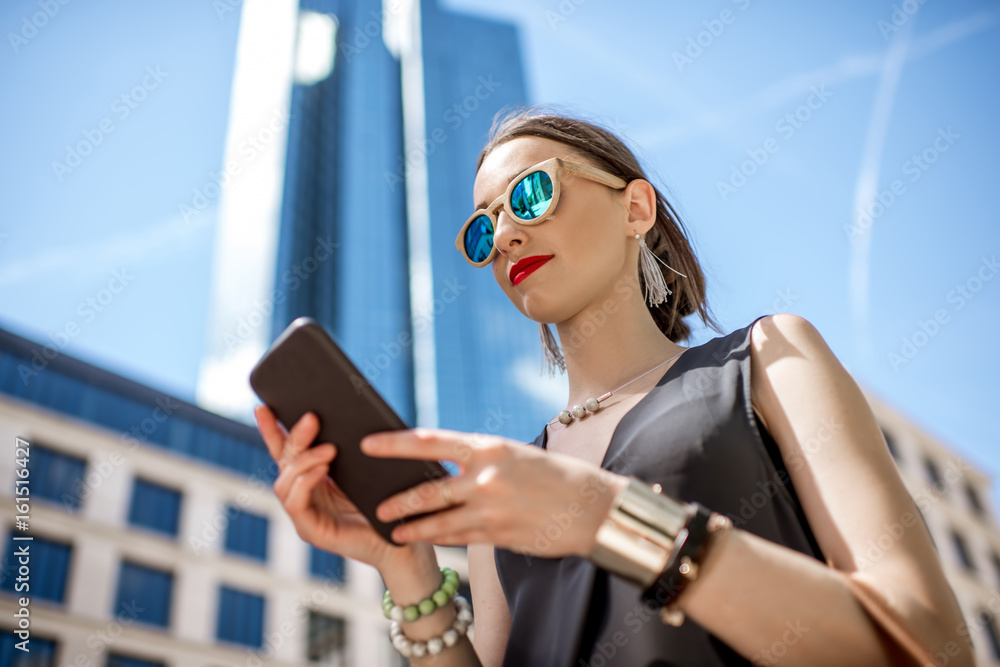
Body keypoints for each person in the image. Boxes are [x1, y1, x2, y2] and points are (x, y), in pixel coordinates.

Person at [254, 107, 973, 666]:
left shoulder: (769, 356)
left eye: (530, 194)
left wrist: (604, 516)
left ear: (636, 208)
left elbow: (930, 644)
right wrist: (405, 569)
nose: (504, 236)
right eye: (484, 227)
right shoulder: (504, 482)